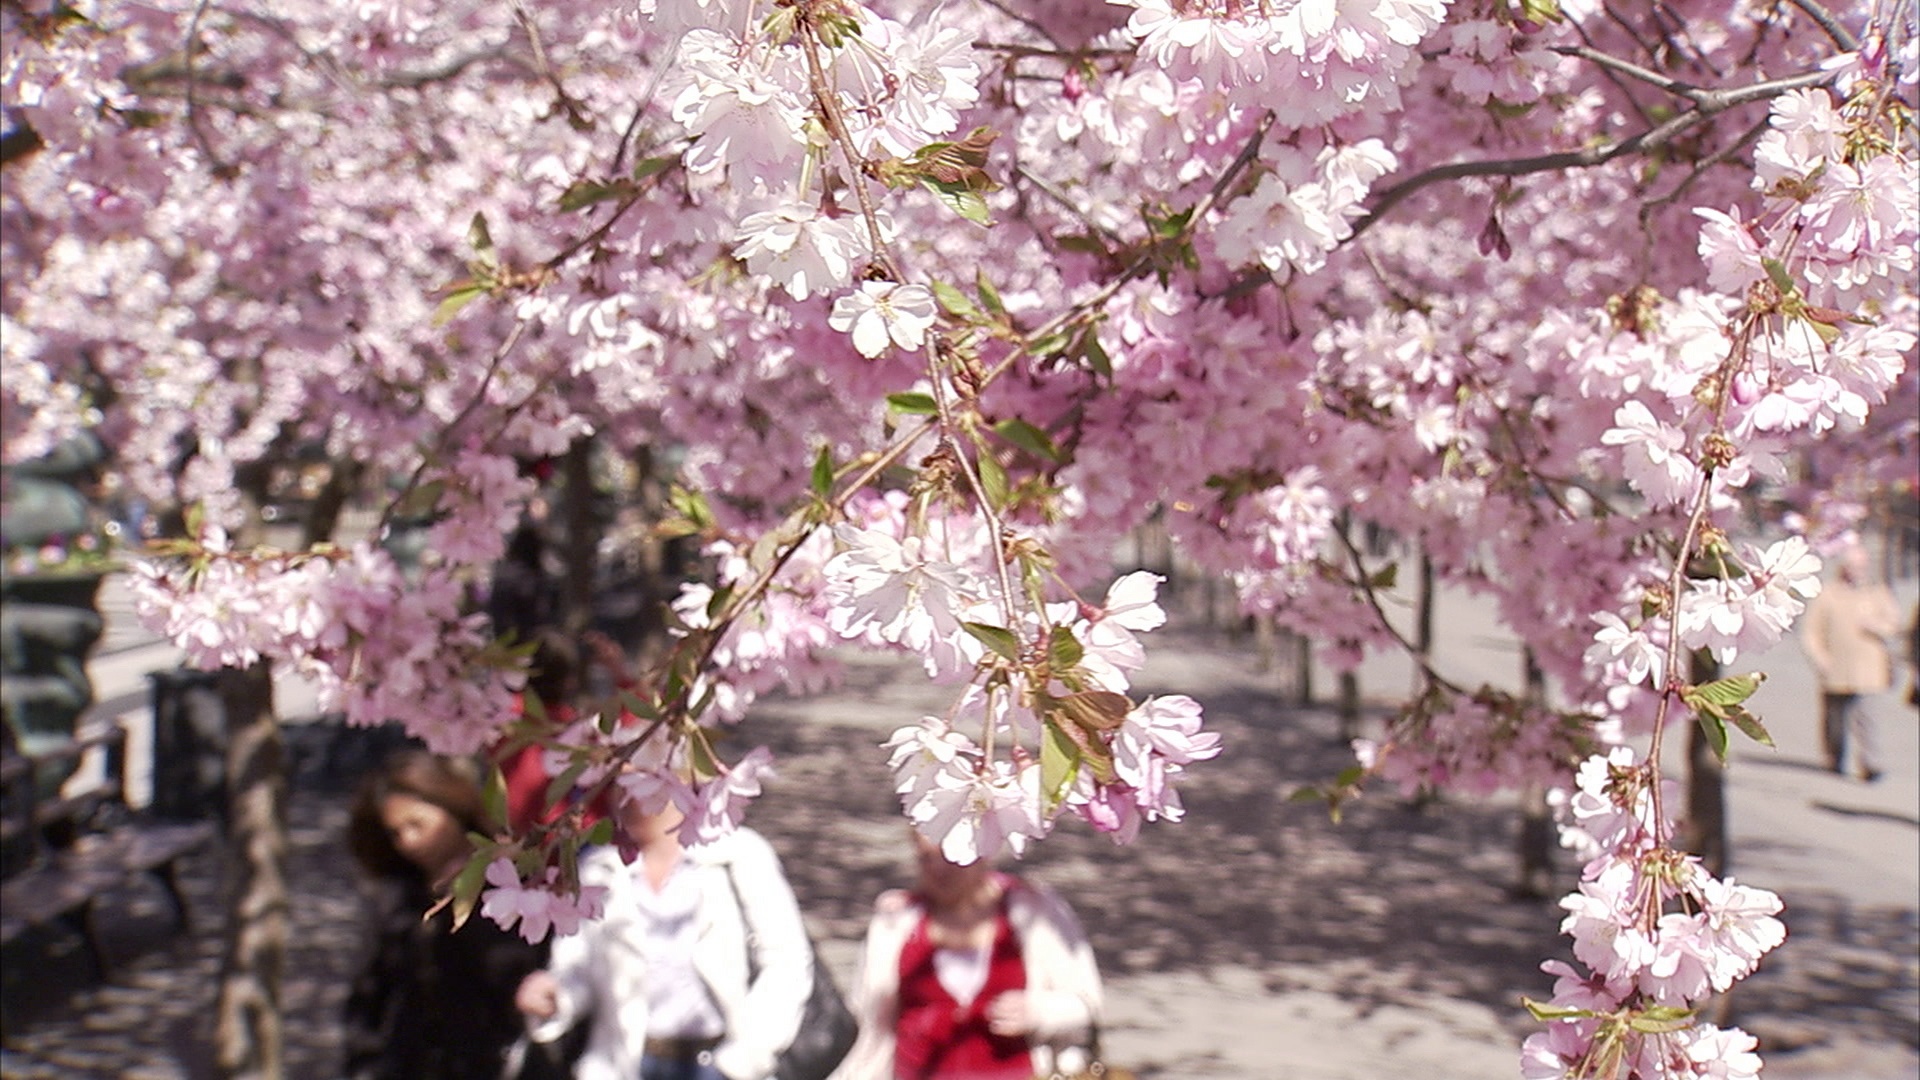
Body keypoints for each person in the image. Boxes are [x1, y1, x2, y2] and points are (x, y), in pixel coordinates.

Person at [514, 796, 814, 1080]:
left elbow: (787, 959)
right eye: (618, 778)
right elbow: (576, 968)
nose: (627, 792)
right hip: (627, 1065)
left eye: (642, 775)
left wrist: (746, 1057)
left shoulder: (737, 853)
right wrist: (556, 996)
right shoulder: (600, 868)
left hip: (716, 1063)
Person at [342, 750, 550, 1080]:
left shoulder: (510, 882)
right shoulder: (399, 898)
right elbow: (371, 997)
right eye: (396, 832)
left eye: (417, 824)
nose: (408, 842)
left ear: (453, 808)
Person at [831, 831, 1102, 1080]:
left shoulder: (1034, 909)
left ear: (985, 852)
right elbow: (867, 1024)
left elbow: (1088, 1005)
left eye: (951, 856)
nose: (939, 870)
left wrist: (1038, 1011)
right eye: (927, 858)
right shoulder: (896, 921)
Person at [1800, 544, 1902, 783]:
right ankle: (1834, 756)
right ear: (1843, 568)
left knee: (1868, 719)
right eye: (1854, 567)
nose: (1859, 571)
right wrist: (1819, 658)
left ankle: (1871, 762)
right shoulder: (1828, 594)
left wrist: (1878, 627)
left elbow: (1894, 625)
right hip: (1836, 668)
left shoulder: (1877, 593)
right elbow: (1811, 633)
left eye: (1862, 567)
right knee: (1834, 718)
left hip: (1869, 670)